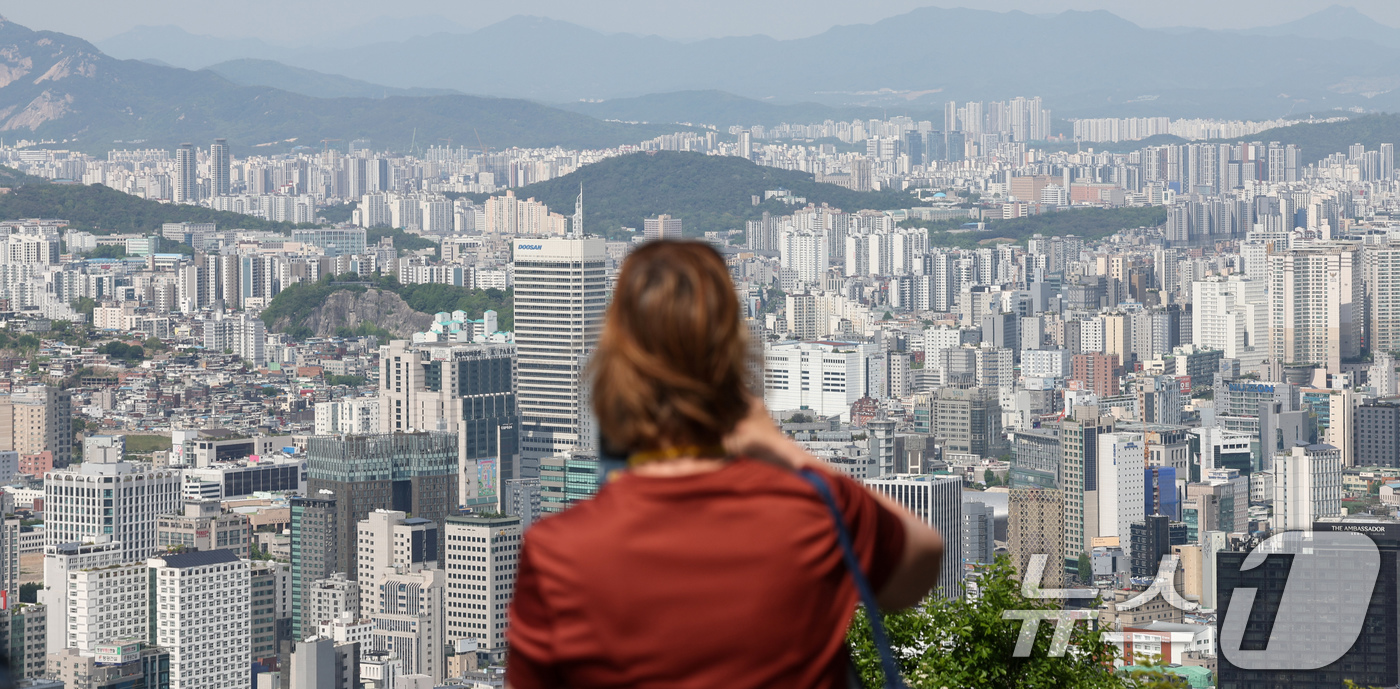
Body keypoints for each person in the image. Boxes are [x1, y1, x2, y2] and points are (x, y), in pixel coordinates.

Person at [506, 240, 944, 688]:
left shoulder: (559, 553)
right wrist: (784, 450)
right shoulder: (809, 515)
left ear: (612, 367)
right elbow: (921, 565)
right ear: (734, 359)